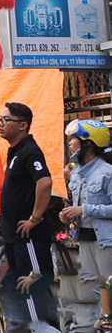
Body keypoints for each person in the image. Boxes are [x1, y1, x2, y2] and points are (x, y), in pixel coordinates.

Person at [0, 101, 58, 331]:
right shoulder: (16, 151)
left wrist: (34, 218)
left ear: (23, 125)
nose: (1, 125)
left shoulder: (29, 151)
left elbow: (45, 182)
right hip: (16, 240)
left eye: (6, 120)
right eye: (0, 120)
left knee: (32, 291)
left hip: (28, 239)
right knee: (24, 295)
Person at [60, 121, 112, 305]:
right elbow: (78, 204)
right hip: (85, 238)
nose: (71, 143)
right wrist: (69, 214)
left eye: (74, 139)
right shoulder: (76, 174)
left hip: (105, 240)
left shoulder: (107, 173)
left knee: (108, 285)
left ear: (88, 144)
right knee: (92, 289)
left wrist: (84, 209)